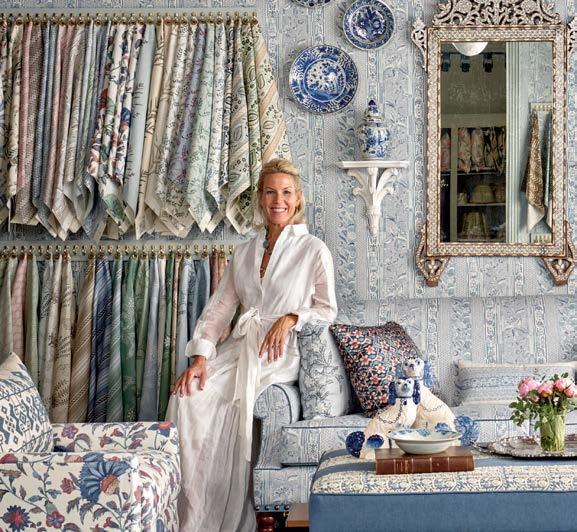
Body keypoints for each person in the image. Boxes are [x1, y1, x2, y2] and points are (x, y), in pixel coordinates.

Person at [166, 158, 338, 531]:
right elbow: (218, 311)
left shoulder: (313, 250)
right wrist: (200, 359)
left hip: (279, 353)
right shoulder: (244, 252)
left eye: (287, 193)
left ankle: (229, 515)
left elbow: (327, 310)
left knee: (230, 406)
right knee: (188, 397)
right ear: (260, 198)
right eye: (271, 192)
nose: (279, 200)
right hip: (240, 347)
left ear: (298, 198)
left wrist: (290, 318)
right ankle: (193, 519)